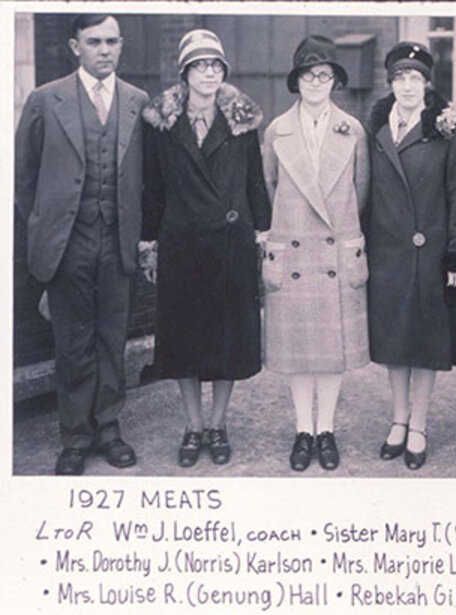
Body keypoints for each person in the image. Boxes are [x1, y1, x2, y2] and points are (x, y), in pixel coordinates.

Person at [15, 14, 148, 475]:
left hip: (117, 241)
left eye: (112, 41)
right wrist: (46, 227)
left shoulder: (137, 101)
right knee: (72, 342)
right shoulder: (45, 100)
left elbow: (144, 178)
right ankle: (74, 436)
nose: (105, 50)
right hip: (67, 243)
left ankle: (109, 428)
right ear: (75, 46)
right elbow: (24, 176)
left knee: (112, 338)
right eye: (94, 42)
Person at [140, 29, 271, 467]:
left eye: (215, 65)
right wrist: (149, 242)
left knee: (227, 342)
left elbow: (255, 181)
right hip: (181, 244)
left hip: (230, 243)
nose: (208, 73)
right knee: (184, 341)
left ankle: (218, 424)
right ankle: (193, 426)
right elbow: (152, 187)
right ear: (185, 73)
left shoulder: (242, 120)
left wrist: (263, 232)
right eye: (199, 65)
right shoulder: (161, 123)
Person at [262, 36, 370, 471]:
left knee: (331, 351)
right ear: (297, 82)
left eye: (324, 75)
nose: (316, 83)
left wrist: (343, 229)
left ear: (335, 82)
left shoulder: (353, 129)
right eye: (308, 75)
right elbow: (269, 188)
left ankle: (326, 429)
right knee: (298, 350)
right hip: (293, 249)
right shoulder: (275, 131)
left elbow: (362, 191)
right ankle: (302, 430)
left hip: (335, 248)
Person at [366, 42, 456, 470]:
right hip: (387, 251)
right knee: (394, 340)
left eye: (415, 78)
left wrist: (455, 258)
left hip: (429, 252)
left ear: (427, 84)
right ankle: (398, 419)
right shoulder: (374, 127)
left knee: (427, 342)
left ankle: (420, 425)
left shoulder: (445, 130)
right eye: (399, 78)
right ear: (391, 83)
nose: (407, 86)